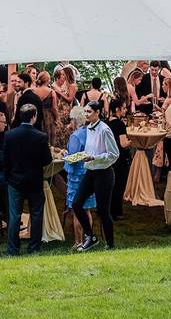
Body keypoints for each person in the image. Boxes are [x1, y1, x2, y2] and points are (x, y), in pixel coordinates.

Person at [3, 104, 52, 256]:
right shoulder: (41, 136)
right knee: (36, 214)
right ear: (34, 117)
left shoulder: (10, 135)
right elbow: (47, 160)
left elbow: (5, 159)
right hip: (34, 181)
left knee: (14, 216)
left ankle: (13, 249)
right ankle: (34, 247)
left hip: (15, 180)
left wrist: (9, 177)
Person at [72, 100, 119, 251]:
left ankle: (110, 244)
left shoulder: (105, 130)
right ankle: (91, 236)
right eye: (85, 112)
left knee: (103, 211)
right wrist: (80, 156)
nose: (86, 114)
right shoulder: (88, 128)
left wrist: (94, 158)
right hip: (90, 171)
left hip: (104, 173)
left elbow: (114, 154)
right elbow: (91, 150)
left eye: (89, 112)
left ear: (97, 113)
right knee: (76, 204)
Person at [64, 106, 96, 248]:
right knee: (87, 209)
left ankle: (78, 242)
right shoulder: (91, 133)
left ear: (75, 120)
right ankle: (89, 239)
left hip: (77, 176)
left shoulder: (76, 136)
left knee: (76, 210)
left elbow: (73, 158)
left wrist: (65, 154)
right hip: (89, 173)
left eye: (71, 119)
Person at [106, 97, 131, 221]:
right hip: (120, 158)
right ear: (117, 109)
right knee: (119, 186)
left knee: (110, 185)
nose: (125, 110)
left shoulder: (105, 122)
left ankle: (108, 210)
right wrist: (131, 141)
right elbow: (123, 144)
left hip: (109, 158)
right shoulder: (120, 124)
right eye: (124, 108)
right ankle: (117, 212)